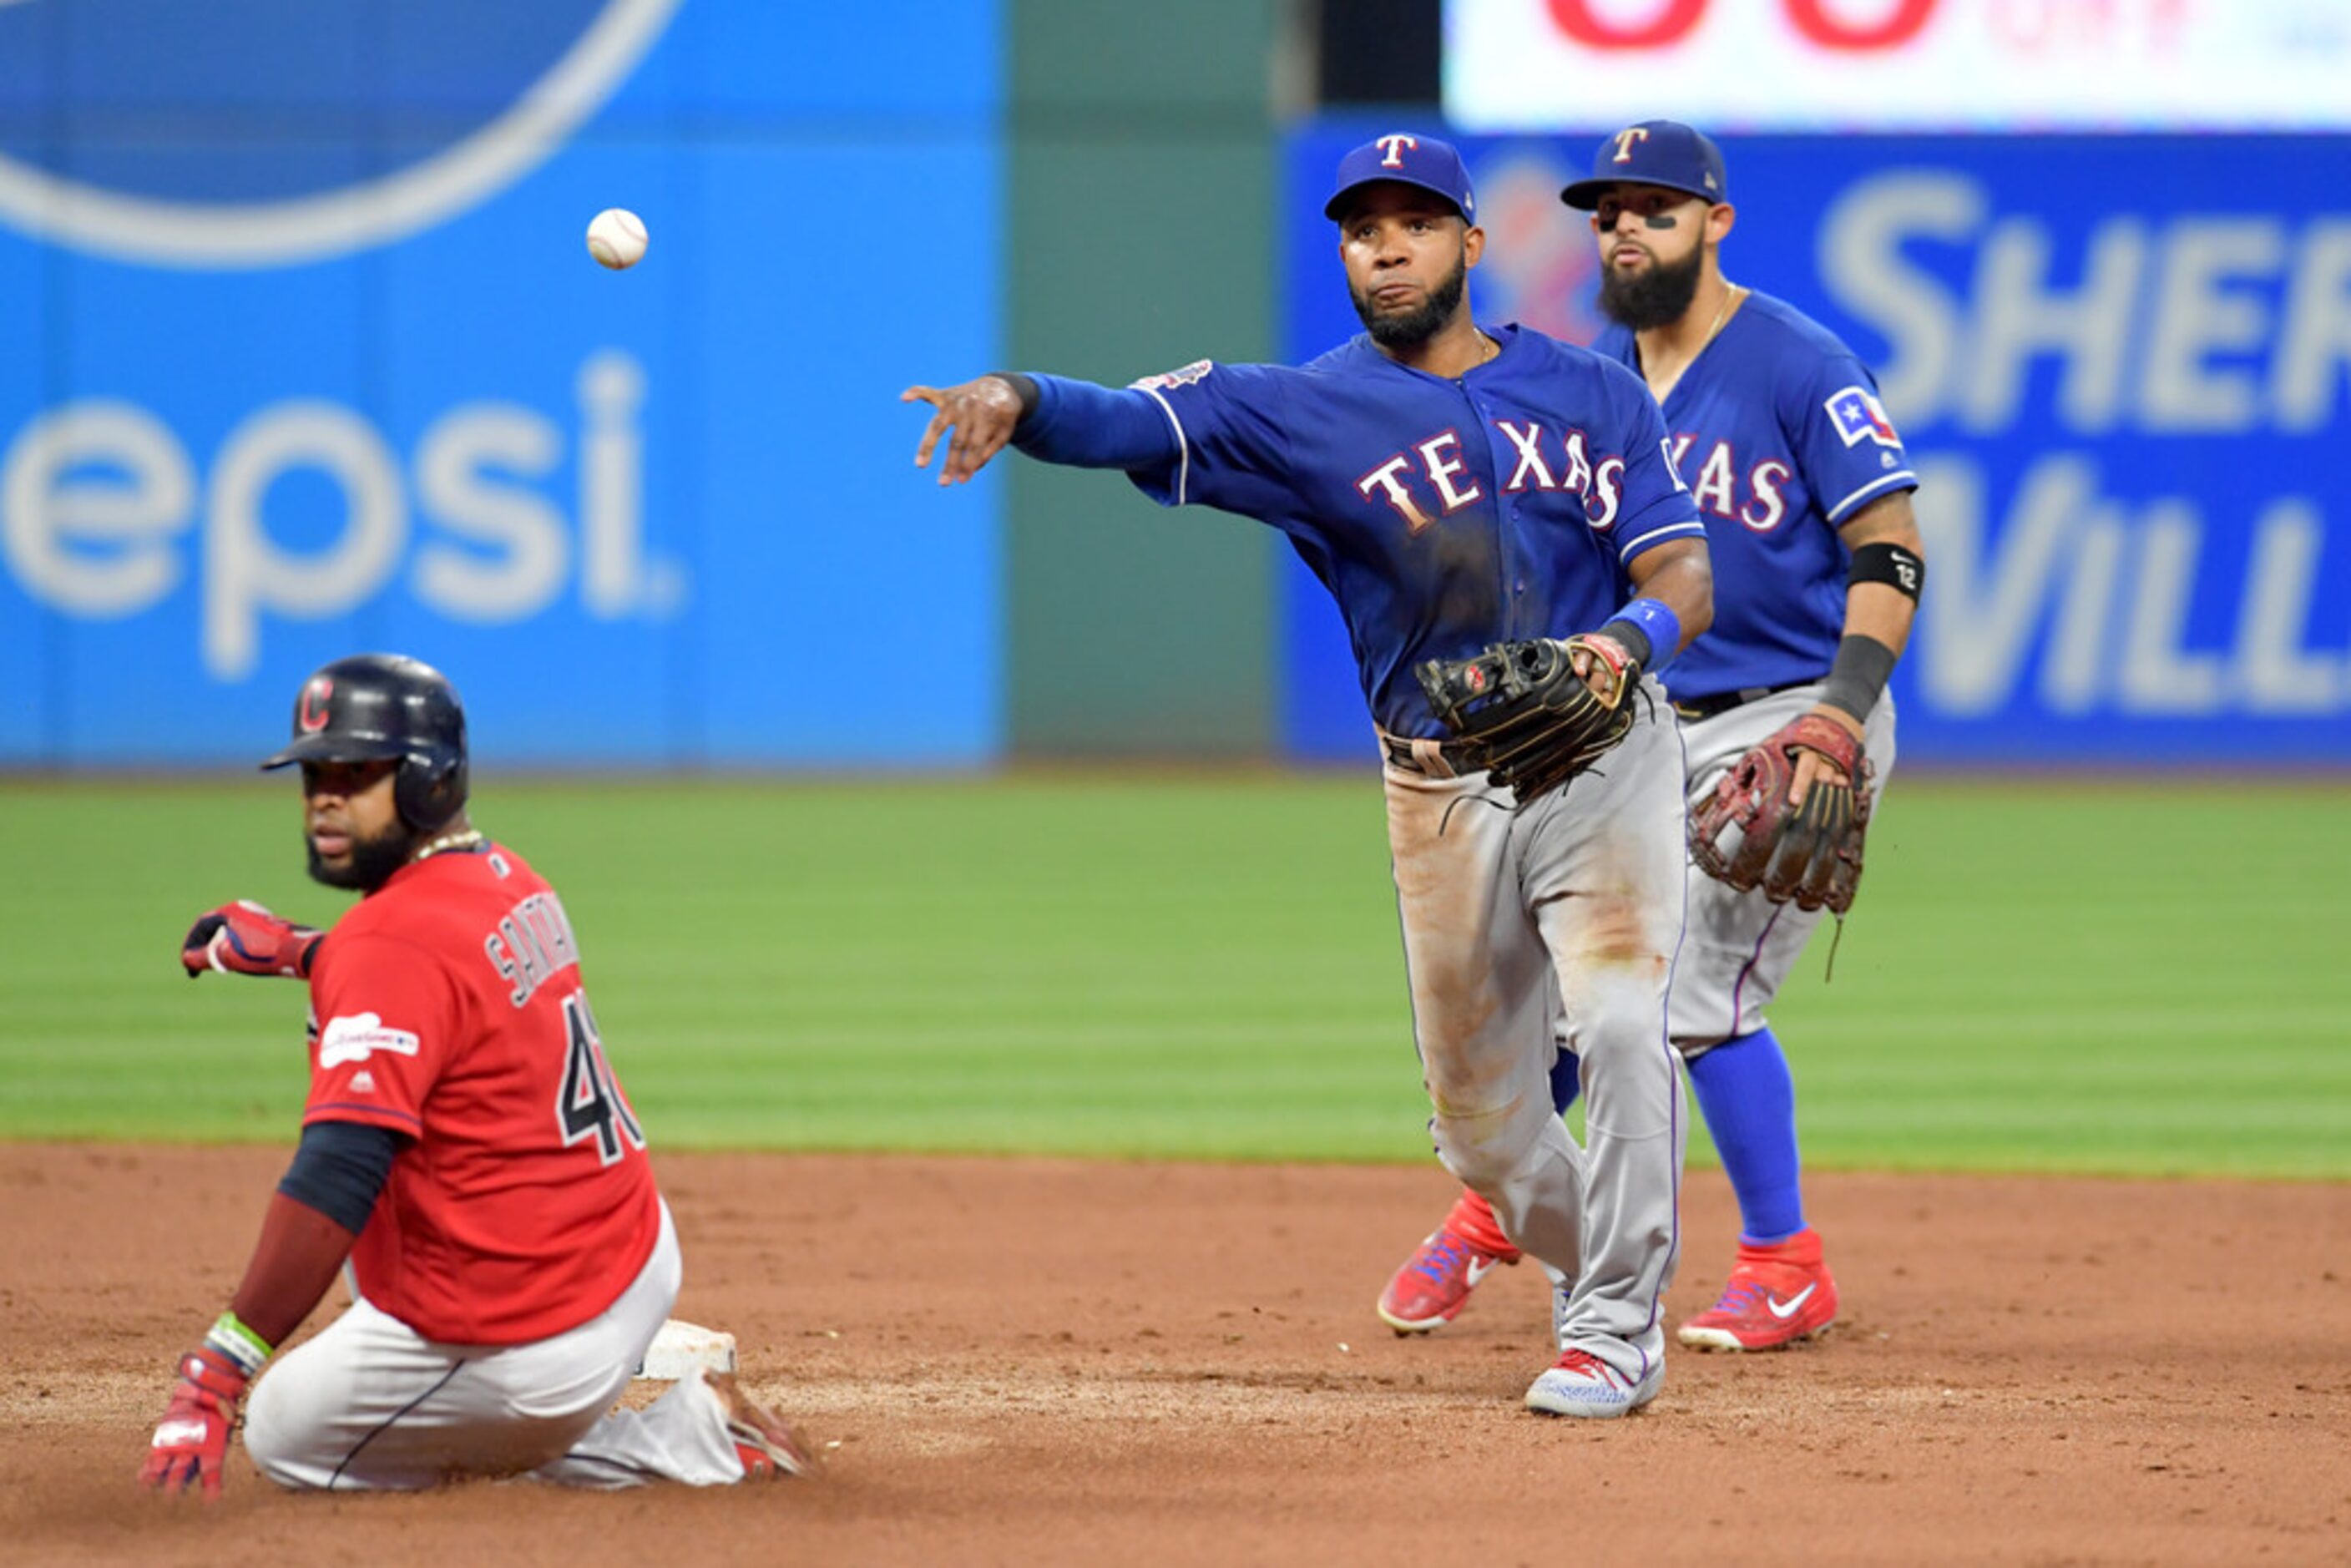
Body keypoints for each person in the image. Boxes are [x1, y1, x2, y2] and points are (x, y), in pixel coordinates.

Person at [904, 134, 1713, 1418]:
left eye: (1413, 222)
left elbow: (1682, 575)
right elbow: (1129, 417)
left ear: (1469, 243)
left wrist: (1625, 644)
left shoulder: (1597, 394)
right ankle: (1591, 1265)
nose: (1384, 246)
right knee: (1486, 1135)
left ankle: (1617, 1323)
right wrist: (1018, 395)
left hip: (1605, 750)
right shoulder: (1295, 409)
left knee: (1620, 1020)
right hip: (1442, 787)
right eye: (1360, 229)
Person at [1376, 120, 1925, 1353]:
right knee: (1580, 980)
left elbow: (1890, 545)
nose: (1627, 227)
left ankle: (1786, 1262)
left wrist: (1841, 714)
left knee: (1684, 991)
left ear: (1715, 223)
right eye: (1610, 209)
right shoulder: (1599, 381)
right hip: (1644, 720)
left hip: (1794, 712)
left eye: (1658, 207)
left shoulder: (1797, 361)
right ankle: (1496, 1201)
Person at [142, 653, 817, 1495]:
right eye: (314, 773)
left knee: (287, 1434)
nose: (324, 796)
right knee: (390, 1242)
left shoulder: (389, 944)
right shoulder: (504, 873)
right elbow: (443, 976)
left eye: (356, 772)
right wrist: (307, 951)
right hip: (631, 1263)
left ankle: (686, 1446)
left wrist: (220, 1367)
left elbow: (339, 1171)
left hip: (535, 1348)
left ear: (427, 778)